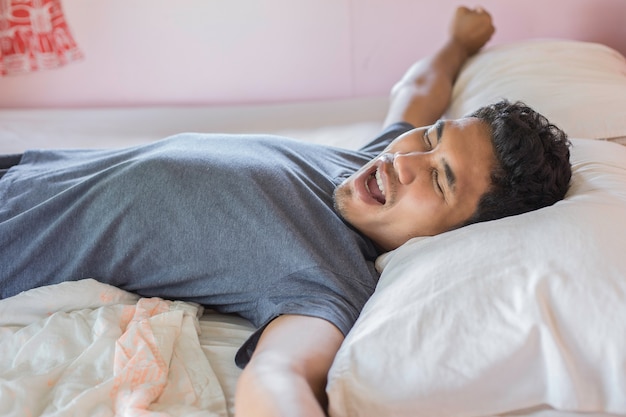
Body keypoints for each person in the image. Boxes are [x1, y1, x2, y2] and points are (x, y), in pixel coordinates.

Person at [0, 6, 570, 417]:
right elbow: (419, 93)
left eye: (440, 179)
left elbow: (280, 375)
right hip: (26, 167)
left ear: (453, 235)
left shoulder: (327, 282)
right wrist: (457, 40)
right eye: (430, 139)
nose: (409, 160)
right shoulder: (372, 164)